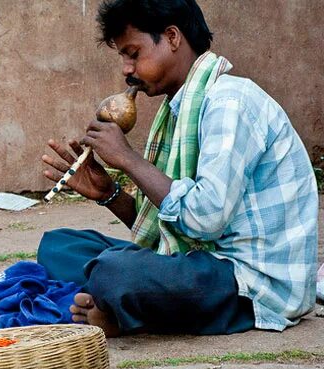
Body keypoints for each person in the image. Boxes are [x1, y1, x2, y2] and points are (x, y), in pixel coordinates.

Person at [39, 0, 318, 337]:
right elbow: (168, 228)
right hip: (200, 260)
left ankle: (120, 310)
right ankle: (116, 303)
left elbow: (204, 220)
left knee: (115, 271)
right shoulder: (176, 111)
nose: (126, 70)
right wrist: (108, 193)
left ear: (172, 37)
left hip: (250, 281)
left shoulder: (229, 103)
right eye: (123, 58)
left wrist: (128, 160)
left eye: (133, 53)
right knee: (60, 245)